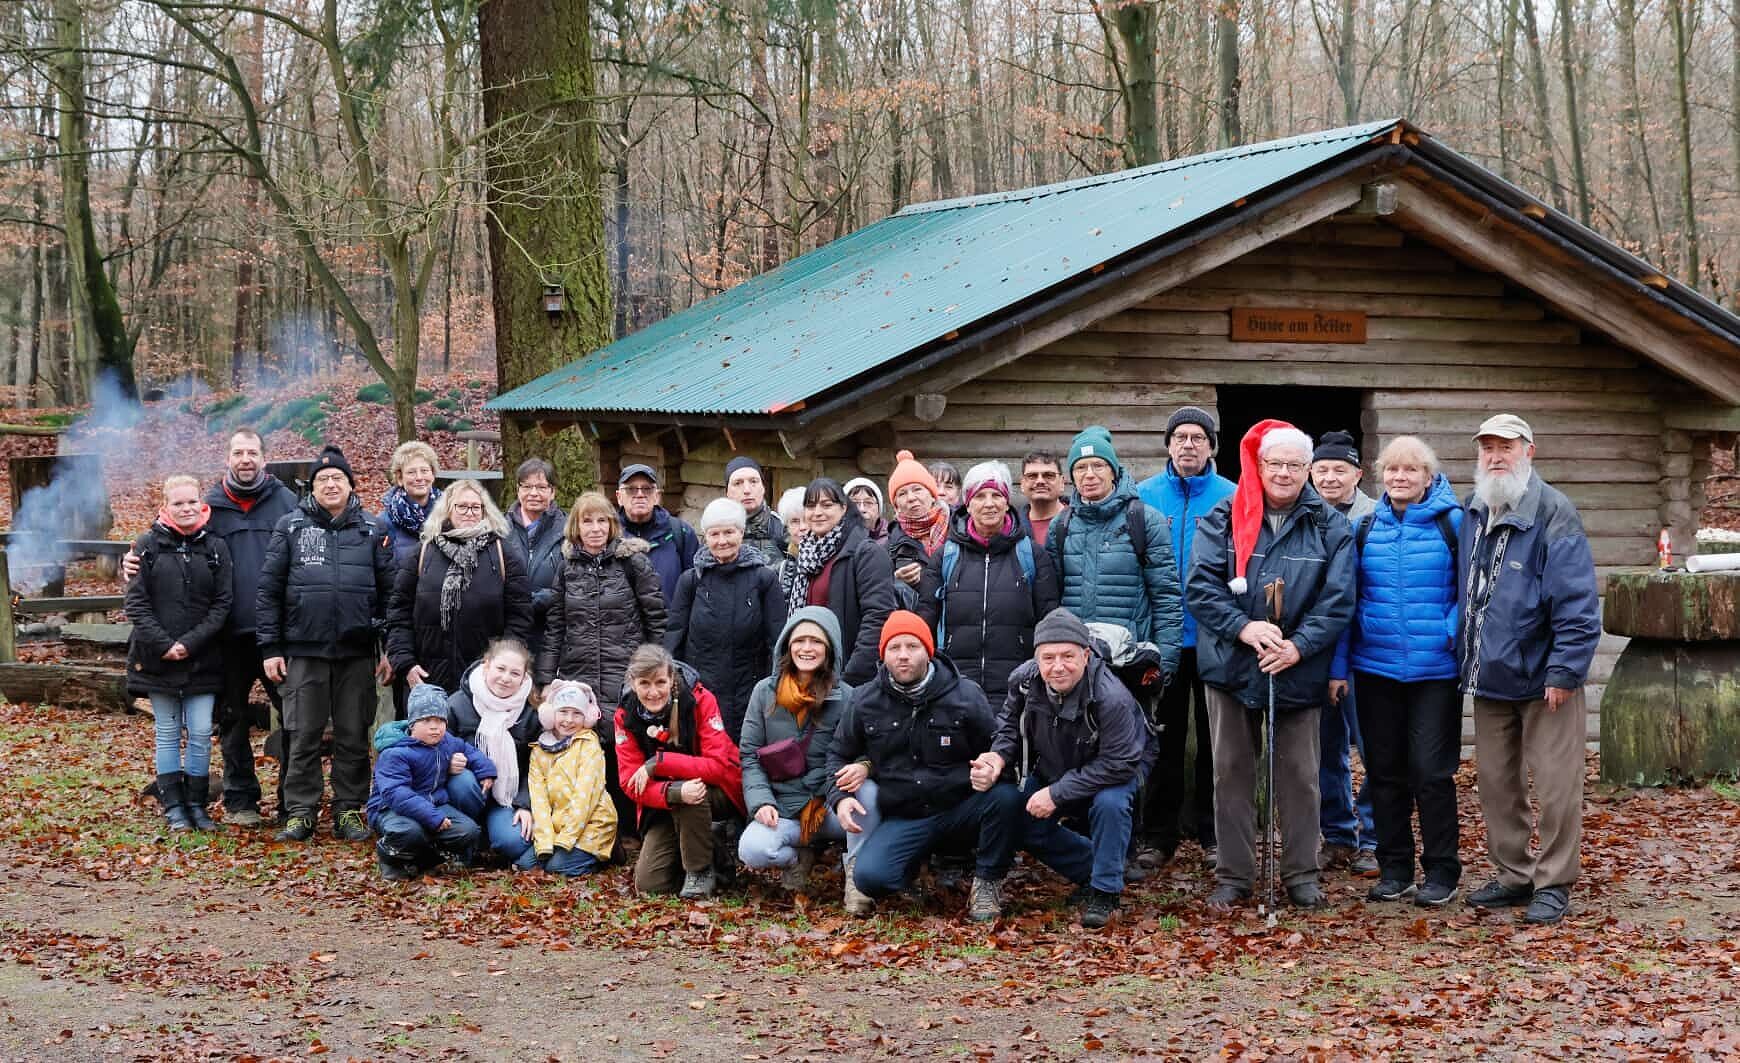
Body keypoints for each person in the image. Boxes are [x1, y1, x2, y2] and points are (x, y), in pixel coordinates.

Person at [1186, 421, 1355, 911]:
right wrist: (1244, 628)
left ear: (1308, 469)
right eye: (1274, 464)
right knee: (1231, 771)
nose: (1284, 473)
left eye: (1294, 465)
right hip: (1231, 663)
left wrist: (1298, 646)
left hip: (1297, 666)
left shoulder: (1330, 526)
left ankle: (1302, 873)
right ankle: (1234, 875)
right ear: (1258, 466)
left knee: (1300, 775)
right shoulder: (1223, 516)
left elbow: (1338, 599)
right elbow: (1200, 587)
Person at [1459, 414, 1600, 926]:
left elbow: (1577, 602)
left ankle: (1555, 881)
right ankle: (1513, 875)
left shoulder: (1554, 511)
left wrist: (1564, 671)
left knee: (1557, 787)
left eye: (1507, 447)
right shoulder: (1474, 509)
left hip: (1545, 680)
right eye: (1488, 448)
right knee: (1497, 784)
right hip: (1491, 676)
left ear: (1529, 452)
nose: (1496, 456)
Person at [828, 612, 1024, 923]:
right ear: (883, 655)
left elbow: (1000, 747)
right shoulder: (865, 700)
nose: (903, 655)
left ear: (929, 650)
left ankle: (987, 881)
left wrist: (993, 767)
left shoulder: (965, 694)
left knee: (1007, 798)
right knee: (870, 878)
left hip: (961, 808)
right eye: (894, 648)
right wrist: (839, 799)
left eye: (912, 646)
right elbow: (837, 755)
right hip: (906, 815)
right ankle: (909, 874)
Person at [1339, 436, 1464, 908]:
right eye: (1392, 469)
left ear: (1428, 477)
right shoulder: (1367, 528)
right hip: (1375, 669)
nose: (1400, 477)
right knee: (1384, 773)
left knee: (1431, 773)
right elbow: (1350, 602)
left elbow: (1469, 590)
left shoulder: (1453, 524)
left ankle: (1442, 871)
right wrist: (1340, 668)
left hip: (1435, 671)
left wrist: (1449, 632)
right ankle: (1394, 869)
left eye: (1411, 469)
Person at [258, 445, 396, 844]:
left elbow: (390, 595)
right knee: (302, 734)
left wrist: (389, 648)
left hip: (357, 652)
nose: (330, 484)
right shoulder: (291, 527)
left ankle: (348, 809)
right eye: (323, 479)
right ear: (312, 488)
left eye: (338, 478)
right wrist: (271, 648)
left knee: (353, 734)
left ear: (351, 485)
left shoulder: (372, 529)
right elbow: (268, 591)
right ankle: (300, 812)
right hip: (304, 650)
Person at [981, 609, 1152, 929]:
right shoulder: (1023, 682)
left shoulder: (1111, 696)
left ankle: (1105, 894)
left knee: (1110, 805)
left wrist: (1058, 793)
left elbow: (1119, 763)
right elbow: (1008, 725)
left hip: (1115, 769)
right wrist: (998, 757)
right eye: (1048, 658)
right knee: (1022, 816)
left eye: (1068, 656)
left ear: (1086, 655)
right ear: (1036, 659)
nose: (1058, 666)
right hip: (1057, 762)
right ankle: (1094, 871)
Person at [1135, 407, 1237, 866]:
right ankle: (1159, 836)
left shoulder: (1232, 496)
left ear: (1212, 446)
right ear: (1169, 445)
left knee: (1217, 743)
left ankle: (1215, 835)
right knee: (1163, 741)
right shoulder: (1144, 496)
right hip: (1163, 639)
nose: (1189, 445)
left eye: (1198, 437)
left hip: (1217, 637)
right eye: (1180, 437)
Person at [537, 490, 667, 827]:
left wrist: (656, 670)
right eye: (587, 521)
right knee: (586, 745)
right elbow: (555, 626)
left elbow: (656, 619)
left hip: (624, 670)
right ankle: (593, 823)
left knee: (626, 743)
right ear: (576, 527)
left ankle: (634, 824)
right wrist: (546, 678)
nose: (595, 529)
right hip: (580, 671)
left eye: (601, 521)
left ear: (612, 525)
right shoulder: (566, 568)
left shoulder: (633, 563)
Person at [738, 607, 881, 904]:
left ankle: (857, 876)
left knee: (868, 792)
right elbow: (749, 755)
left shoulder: (848, 696)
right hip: (784, 807)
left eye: (816, 641)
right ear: (787, 645)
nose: (807, 648)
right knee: (752, 849)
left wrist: (864, 767)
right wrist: (761, 802)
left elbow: (867, 750)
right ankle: (796, 860)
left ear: (829, 648)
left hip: (831, 806)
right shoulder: (764, 692)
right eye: (799, 640)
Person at [126, 475, 234, 832]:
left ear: (201, 504)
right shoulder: (147, 547)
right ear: (165, 506)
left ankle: (196, 803)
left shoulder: (215, 547)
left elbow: (222, 603)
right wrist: (165, 645)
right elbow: (136, 603)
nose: (186, 509)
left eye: (192, 502)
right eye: (178, 503)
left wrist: (190, 643)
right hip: (158, 659)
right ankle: (173, 805)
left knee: (201, 731)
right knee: (168, 731)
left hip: (204, 657)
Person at [916, 461, 1060, 703]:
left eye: (997, 495)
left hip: (1017, 686)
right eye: (980, 496)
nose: (989, 503)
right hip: (955, 685)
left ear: (1007, 502)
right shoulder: (946, 556)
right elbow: (927, 616)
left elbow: (1049, 619)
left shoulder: (1031, 554)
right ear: (968, 504)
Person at [1047, 425, 1183, 678]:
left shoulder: (1144, 520)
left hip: (1131, 661)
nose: (1089, 474)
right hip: (1075, 663)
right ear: (1072, 476)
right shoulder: (1061, 526)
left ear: (1113, 470)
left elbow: (1166, 598)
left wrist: (1163, 666)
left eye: (1098, 465)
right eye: (1080, 467)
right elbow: (1050, 600)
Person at [614, 644, 746, 898]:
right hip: (665, 800)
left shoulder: (700, 699)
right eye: (644, 684)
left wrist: (660, 763)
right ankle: (713, 850)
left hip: (715, 791)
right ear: (633, 682)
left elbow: (718, 766)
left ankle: (699, 871)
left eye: (660, 682)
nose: (653, 692)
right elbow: (630, 782)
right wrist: (671, 791)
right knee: (651, 883)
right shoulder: (624, 715)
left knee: (691, 794)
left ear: (671, 679)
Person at [386, 479, 533, 694]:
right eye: (462, 506)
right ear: (447, 509)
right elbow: (399, 613)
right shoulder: (423, 553)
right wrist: (405, 663)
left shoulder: (503, 554)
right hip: (426, 678)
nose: (469, 512)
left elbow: (520, 617)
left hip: (485, 681)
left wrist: (502, 666)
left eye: (476, 507)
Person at [1309, 429, 1378, 876]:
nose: (1330, 478)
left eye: (1340, 469)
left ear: (1358, 473)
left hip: (1366, 651)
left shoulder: (1376, 517)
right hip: (1315, 648)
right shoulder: (1303, 515)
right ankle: (1337, 834)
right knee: (1324, 747)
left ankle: (1373, 838)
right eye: (1322, 469)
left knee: (1374, 747)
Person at [665, 498, 787, 742]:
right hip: (701, 692)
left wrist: (774, 687)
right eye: (714, 534)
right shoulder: (692, 581)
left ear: (741, 533)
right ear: (705, 537)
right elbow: (674, 638)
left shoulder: (763, 579)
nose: (722, 541)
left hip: (750, 691)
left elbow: (777, 640)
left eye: (729, 532)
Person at [366, 683, 496, 881]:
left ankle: (427, 856)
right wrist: (432, 816)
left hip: (434, 804)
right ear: (412, 724)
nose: (435, 727)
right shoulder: (395, 753)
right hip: (391, 809)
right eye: (426, 720)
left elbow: (469, 750)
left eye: (440, 720)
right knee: (410, 831)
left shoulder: (446, 741)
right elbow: (396, 793)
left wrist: (485, 770)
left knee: (468, 831)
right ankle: (391, 858)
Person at [779, 478, 897, 685]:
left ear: (844, 508)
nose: (817, 512)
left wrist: (850, 677)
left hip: (847, 676)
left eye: (826, 505)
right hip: (807, 671)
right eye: (810, 506)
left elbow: (877, 618)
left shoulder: (866, 553)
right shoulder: (807, 555)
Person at [442, 638, 543, 871]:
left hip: (507, 798)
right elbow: (433, 748)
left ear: (524, 677)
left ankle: (490, 836)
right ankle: (464, 841)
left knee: (515, 841)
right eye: (500, 669)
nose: (506, 678)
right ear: (486, 665)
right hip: (467, 793)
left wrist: (525, 805)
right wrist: (447, 762)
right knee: (462, 782)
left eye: (515, 673)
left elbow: (538, 768)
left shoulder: (531, 713)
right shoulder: (457, 704)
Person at [528, 681, 618, 876]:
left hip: (591, 823)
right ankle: (567, 855)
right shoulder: (538, 751)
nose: (569, 720)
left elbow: (585, 797)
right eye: (563, 712)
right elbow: (538, 798)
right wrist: (545, 841)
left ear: (587, 717)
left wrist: (566, 839)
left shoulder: (589, 745)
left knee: (555, 868)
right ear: (550, 714)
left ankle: (603, 854)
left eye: (577, 713)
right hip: (559, 825)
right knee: (528, 863)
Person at [505, 458, 565, 659]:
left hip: (553, 635)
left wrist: (534, 601)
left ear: (552, 491)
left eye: (541, 487)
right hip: (509, 634)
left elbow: (572, 583)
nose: (533, 493)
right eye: (527, 486)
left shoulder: (568, 530)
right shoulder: (499, 529)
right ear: (517, 490)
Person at [616, 463, 700, 606]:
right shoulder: (608, 536)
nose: (640, 494)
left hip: (670, 619)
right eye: (631, 489)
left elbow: (696, 588)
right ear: (619, 497)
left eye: (647, 489)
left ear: (657, 496)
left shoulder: (681, 533)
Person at [885, 451, 950, 600]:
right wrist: (897, 581)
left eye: (917, 489)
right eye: (902, 494)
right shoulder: (891, 546)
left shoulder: (959, 529)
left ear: (932, 496)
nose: (911, 498)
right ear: (896, 506)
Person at [378, 441, 442, 566]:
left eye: (424, 471)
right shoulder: (384, 523)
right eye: (411, 472)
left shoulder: (449, 514)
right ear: (400, 478)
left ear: (433, 475)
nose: (419, 477)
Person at [726, 456, 788, 566]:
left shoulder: (783, 528)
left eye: (753, 481)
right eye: (738, 483)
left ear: (763, 488)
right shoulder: (716, 530)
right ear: (727, 492)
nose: (747, 490)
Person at [1019, 451, 1067, 548]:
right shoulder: (1012, 528)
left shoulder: (1080, 520)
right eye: (1032, 476)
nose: (1040, 481)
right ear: (1022, 484)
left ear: (1062, 482)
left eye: (1049, 475)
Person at [843, 477, 889, 543]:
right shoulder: (832, 541)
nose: (861, 509)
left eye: (868, 503)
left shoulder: (893, 541)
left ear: (879, 510)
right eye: (854, 503)